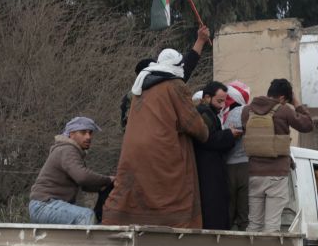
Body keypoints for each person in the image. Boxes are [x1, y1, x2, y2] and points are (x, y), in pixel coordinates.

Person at [103, 48, 209, 228]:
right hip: (162, 149)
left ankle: (120, 225)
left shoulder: (139, 87)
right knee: (170, 194)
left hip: (133, 151)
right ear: (177, 65)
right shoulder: (175, 85)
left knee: (132, 191)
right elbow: (192, 123)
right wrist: (206, 131)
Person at [241, 78, 313, 232]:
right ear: (282, 98)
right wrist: (296, 103)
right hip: (276, 175)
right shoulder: (283, 110)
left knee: (254, 224)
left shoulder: (247, 111)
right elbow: (307, 125)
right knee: (272, 225)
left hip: (254, 174)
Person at [121, 26, 210, 129]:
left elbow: (125, 127)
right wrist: (200, 40)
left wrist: (200, 40)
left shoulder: (131, 96)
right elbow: (188, 65)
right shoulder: (170, 86)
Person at [29, 117, 113, 225]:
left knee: (93, 219)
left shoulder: (70, 151)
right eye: (83, 132)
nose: (88, 137)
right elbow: (83, 177)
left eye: (90, 133)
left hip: (46, 206)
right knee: (85, 215)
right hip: (44, 206)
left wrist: (104, 186)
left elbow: (86, 185)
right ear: (71, 134)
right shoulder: (68, 149)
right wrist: (108, 180)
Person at [194, 81, 243, 230]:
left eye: (224, 102)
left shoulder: (208, 113)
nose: (222, 106)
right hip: (207, 170)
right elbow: (207, 139)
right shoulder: (204, 113)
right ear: (207, 97)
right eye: (219, 101)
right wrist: (229, 134)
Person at [222, 81, 252, 230]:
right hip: (245, 165)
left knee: (228, 209)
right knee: (243, 210)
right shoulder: (246, 112)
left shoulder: (228, 113)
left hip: (228, 165)